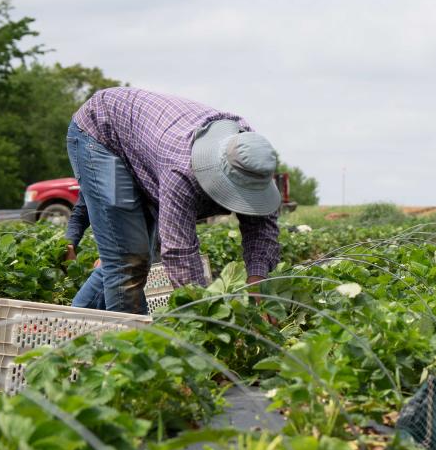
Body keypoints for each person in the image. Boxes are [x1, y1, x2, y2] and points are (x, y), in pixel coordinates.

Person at [66, 87, 283, 314]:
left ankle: (75, 324)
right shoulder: (182, 171)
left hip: (144, 141)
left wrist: (257, 289)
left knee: (133, 255)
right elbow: (180, 253)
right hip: (102, 130)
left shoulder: (254, 160)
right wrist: (209, 316)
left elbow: (262, 230)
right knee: (127, 259)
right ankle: (130, 342)